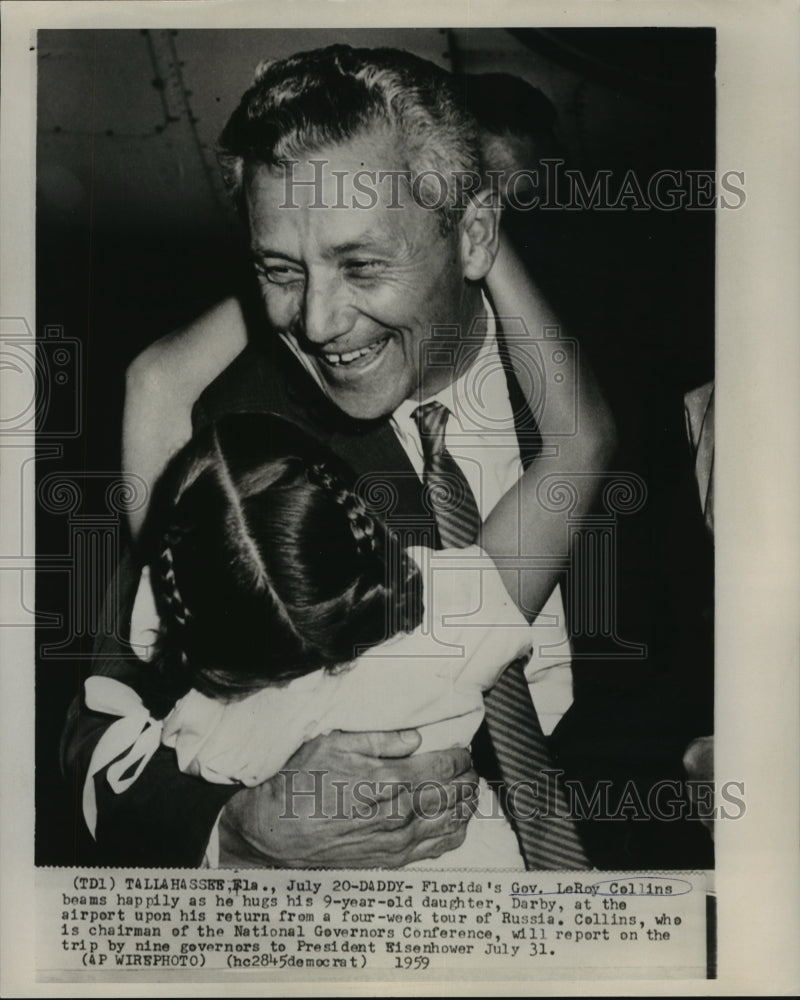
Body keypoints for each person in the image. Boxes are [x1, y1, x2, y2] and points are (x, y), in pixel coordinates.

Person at [63, 43, 625, 869]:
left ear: (474, 232)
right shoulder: (235, 451)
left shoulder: (643, 339)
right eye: (279, 270)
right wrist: (236, 831)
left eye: (361, 263)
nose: (319, 324)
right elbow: (98, 725)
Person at [81, 401, 597, 869]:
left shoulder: (210, 724)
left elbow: (151, 386)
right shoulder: (442, 620)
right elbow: (582, 443)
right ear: (355, 516)